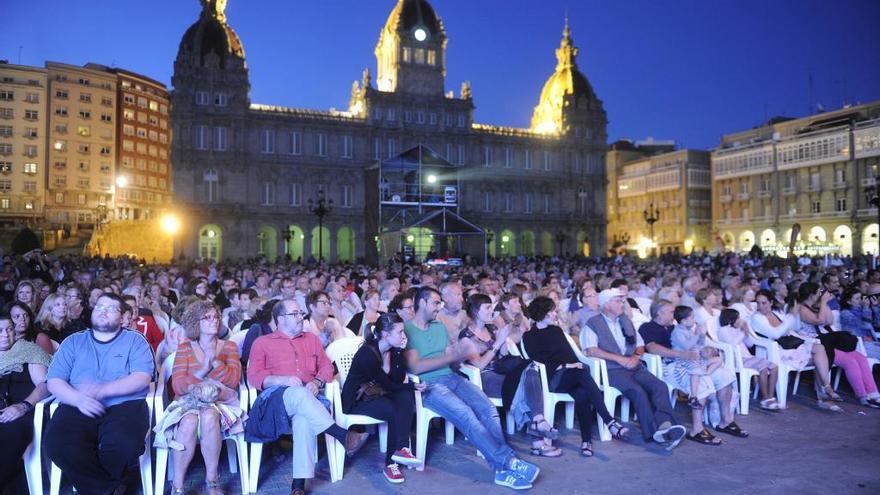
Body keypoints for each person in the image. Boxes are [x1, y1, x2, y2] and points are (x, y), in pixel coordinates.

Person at [404, 287, 541, 490]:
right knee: (466, 415)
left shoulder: (439, 327)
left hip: (450, 377)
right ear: (422, 302)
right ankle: (509, 463)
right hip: (428, 385)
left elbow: (450, 355)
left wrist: (460, 354)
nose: (438, 307)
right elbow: (415, 366)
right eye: (435, 303)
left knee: (488, 409)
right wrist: (454, 355)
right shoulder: (407, 329)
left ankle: (501, 470)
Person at [246, 298, 366, 495]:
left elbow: (327, 366)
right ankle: (342, 435)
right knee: (298, 393)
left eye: (300, 313)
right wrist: (281, 380)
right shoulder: (262, 343)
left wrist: (317, 382)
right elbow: (254, 376)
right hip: (276, 401)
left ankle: (298, 485)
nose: (301, 317)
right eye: (295, 314)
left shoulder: (311, 339)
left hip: (310, 400)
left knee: (303, 420)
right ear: (281, 319)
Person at [44, 293, 155, 495]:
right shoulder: (73, 342)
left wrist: (102, 390)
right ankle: (110, 488)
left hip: (125, 404)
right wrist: (78, 399)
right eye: (99, 307)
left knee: (124, 444)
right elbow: (54, 380)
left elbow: (142, 377)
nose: (103, 311)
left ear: (123, 318)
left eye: (111, 308)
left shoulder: (136, 341)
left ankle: (95, 488)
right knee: (57, 444)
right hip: (78, 403)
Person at [154, 300, 244, 494]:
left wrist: (217, 364)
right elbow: (177, 385)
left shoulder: (229, 346)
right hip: (188, 403)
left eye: (216, 317)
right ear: (196, 322)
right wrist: (202, 371)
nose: (214, 320)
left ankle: (212, 480)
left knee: (209, 416)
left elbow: (233, 381)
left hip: (220, 402)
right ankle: (178, 485)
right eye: (207, 317)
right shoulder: (185, 348)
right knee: (188, 421)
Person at [521, 296, 628, 457]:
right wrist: (566, 366)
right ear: (543, 313)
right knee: (581, 374)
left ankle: (587, 441)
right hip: (549, 379)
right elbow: (538, 363)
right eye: (552, 311)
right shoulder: (529, 336)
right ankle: (609, 422)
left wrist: (570, 365)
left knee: (582, 392)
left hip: (569, 375)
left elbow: (570, 356)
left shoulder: (556, 331)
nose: (555, 314)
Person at [582, 289, 687, 450]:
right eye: (618, 301)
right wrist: (621, 359)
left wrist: (636, 357)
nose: (622, 303)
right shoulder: (593, 323)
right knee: (637, 391)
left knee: (659, 386)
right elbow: (591, 351)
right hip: (612, 370)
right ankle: (654, 434)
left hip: (634, 366)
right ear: (607, 305)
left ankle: (666, 426)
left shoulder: (625, 321)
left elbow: (640, 345)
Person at [461, 294, 561, 457]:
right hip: (484, 377)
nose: (491, 311)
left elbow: (504, 355)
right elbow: (479, 365)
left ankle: (537, 420)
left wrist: (503, 338)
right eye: (487, 308)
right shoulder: (466, 336)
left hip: (503, 372)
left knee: (530, 371)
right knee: (524, 383)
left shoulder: (491, 329)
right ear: (475, 311)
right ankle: (538, 436)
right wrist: (498, 342)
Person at [341, 313, 424, 483]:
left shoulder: (393, 349)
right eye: (400, 332)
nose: (404, 336)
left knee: (406, 396)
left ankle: (400, 448)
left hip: (378, 392)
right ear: (386, 335)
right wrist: (412, 385)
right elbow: (389, 385)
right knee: (392, 408)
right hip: (358, 400)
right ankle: (391, 463)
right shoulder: (368, 354)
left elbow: (398, 379)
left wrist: (400, 351)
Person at [749, 289, 842, 411]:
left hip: (790, 346)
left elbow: (795, 327)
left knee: (820, 348)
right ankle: (824, 397)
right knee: (820, 360)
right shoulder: (757, 318)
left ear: (771, 302)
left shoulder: (778, 313)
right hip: (776, 351)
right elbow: (776, 334)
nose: (761, 306)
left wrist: (795, 314)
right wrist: (790, 316)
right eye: (759, 303)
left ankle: (826, 386)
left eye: (764, 303)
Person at [796, 283, 880, 408]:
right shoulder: (801, 308)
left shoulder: (817, 306)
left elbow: (829, 321)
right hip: (815, 344)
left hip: (828, 341)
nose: (821, 294)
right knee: (850, 361)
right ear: (811, 294)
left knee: (860, 358)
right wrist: (824, 302)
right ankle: (862, 396)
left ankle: (873, 394)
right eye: (819, 292)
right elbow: (819, 320)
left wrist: (823, 304)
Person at [0, 313, 51, 493]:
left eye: (9, 329)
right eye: (0, 330)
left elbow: (45, 385)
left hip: (22, 413)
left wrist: (23, 406)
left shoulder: (28, 351)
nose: (5, 334)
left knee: (9, 433)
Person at [716, 308, 781, 410]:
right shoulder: (723, 330)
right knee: (763, 369)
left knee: (774, 367)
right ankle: (765, 399)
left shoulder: (737, 330)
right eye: (738, 318)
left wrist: (746, 331)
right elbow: (732, 344)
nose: (740, 320)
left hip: (748, 358)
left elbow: (750, 344)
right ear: (730, 320)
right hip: (738, 360)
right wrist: (741, 333)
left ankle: (770, 396)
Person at [670, 306, 724, 412]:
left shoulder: (689, 330)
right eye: (692, 318)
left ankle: (705, 374)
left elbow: (699, 344)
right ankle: (693, 396)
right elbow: (687, 346)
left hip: (695, 359)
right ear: (684, 321)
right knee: (696, 371)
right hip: (683, 360)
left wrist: (702, 335)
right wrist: (697, 334)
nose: (694, 320)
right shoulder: (677, 332)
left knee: (718, 360)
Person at [839, 287, 880, 360]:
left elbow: (878, 324)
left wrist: (875, 307)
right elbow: (866, 325)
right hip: (860, 346)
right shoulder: (845, 313)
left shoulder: (862, 310)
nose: (861, 300)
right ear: (849, 301)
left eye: (861, 297)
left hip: (871, 342)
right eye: (857, 299)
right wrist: (866, 308)